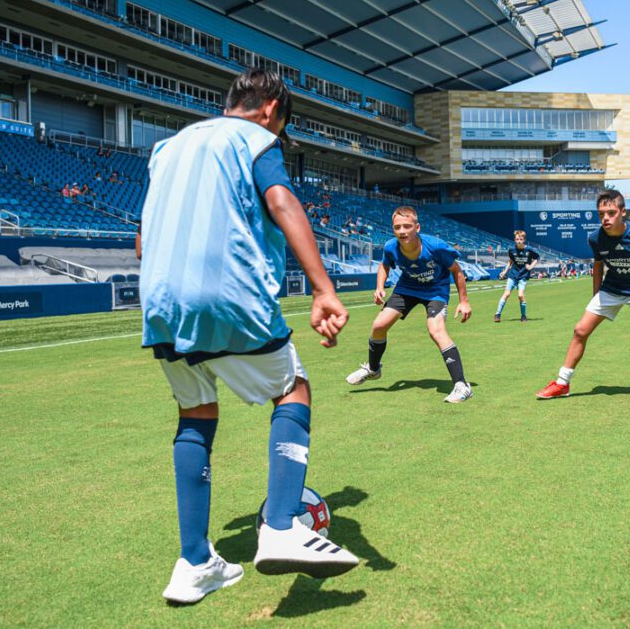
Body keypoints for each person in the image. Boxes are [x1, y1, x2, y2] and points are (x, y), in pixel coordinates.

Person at [139, 69, 359, 604]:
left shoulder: (167, 148)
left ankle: (195, 563)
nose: (278, 133)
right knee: (294, 389)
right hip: (226, 295)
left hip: (161, 302)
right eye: (281, 124)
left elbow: (144, 237)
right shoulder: (256, 138)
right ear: (270, 109)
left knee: (196, 413)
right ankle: (282, 524)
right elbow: (282, 202)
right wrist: (323, 288)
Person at [535, 190, 630, 412]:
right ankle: (562, 383)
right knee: (580, 330)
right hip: (612, 288)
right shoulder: (595, 238)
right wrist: (596, 295)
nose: (605, 218)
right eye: (601, 214)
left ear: (622, 212)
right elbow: (598, 264)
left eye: (610, 213)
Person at [344, 206, 473, 403]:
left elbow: (457, 270)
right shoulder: (390, 247)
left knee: (435, 329)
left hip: (435, 290)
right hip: (407, 288)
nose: (402, 231)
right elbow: (384, 265)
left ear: (417, 227)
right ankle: (373, 369)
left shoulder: (436, 246)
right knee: (379, 325)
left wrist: (464, 301)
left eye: (407, 226)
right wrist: (379, 286)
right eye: (397, 227)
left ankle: (462, 385)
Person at [494, 230, 539, 323]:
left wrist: (530, 266)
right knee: (506, 294)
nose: (519, 241)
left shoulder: (529, 250)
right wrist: (505, 271)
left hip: (523, 276)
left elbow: (537, 258)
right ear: (515, 239)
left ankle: (523, 316)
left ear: (524, 240)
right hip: (513, 275)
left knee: (521, 295)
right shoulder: (511, 250)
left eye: (521, 239)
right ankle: (497, 315)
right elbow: (510, 261)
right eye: (517, 239)